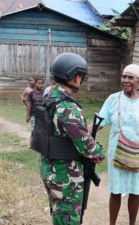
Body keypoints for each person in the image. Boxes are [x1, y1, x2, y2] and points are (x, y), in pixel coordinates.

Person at [39, 52, 105, 225]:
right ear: (75, 77)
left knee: (59, 215)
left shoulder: (48, 97)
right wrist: (100, 152)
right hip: (65, 175)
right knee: (68, 219)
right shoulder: (67, 107)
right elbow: (88, 147)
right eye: (80, 76)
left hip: (49, 168)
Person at [96, 64, 139, 225]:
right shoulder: (113, 99)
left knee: (135, 191)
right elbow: (99, 123)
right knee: (115, 191)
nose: (126, 80)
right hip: (117, 153)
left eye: (130, 77)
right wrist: (82, 134)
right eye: (124, 76)